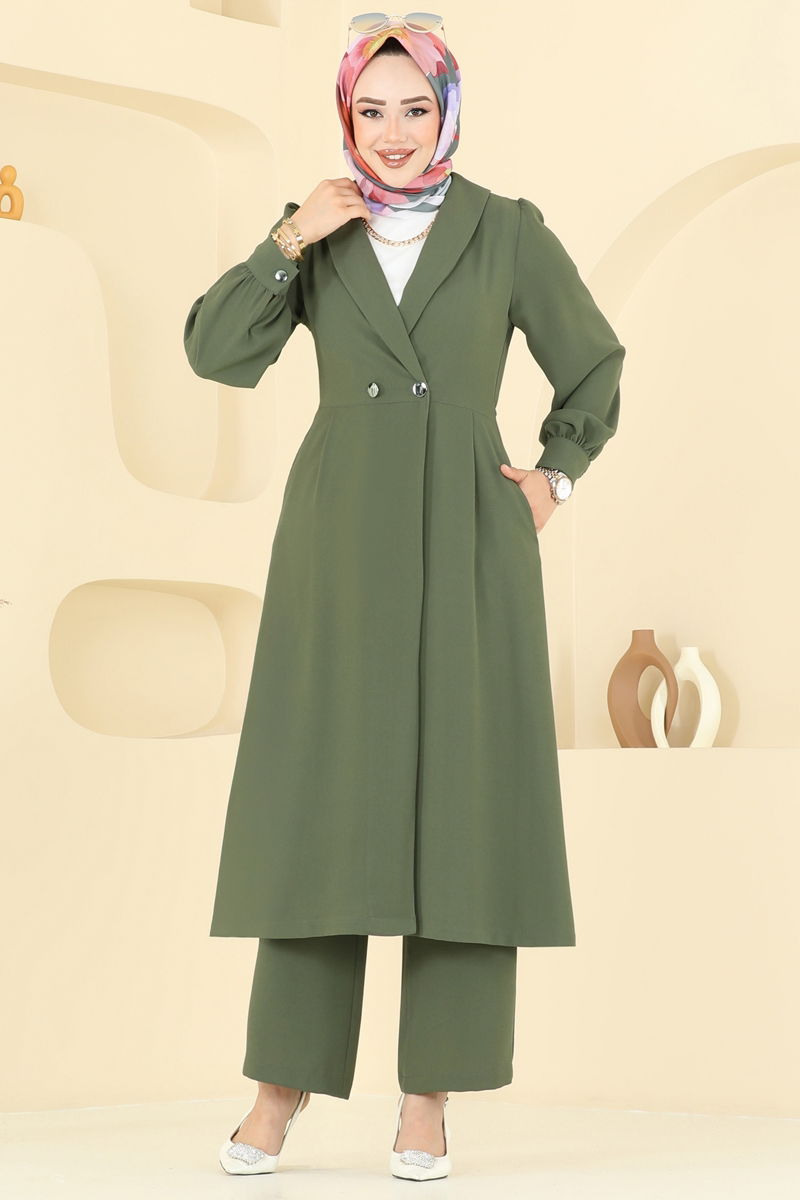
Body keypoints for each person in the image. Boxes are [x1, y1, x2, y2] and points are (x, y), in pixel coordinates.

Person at [183, 13, 626, 1182]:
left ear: (446, 111)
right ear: (346, 113)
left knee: (463, 811)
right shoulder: (316, 227)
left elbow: (591, 363)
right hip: (336, 542)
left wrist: (554, 477)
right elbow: (217, 354)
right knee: (318, 806)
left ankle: (426, 1098)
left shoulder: (504, 228)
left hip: (470, 534)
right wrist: (287, 237)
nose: (391, 132)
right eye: (370, 109)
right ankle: (276, 1090)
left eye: (413, 108)